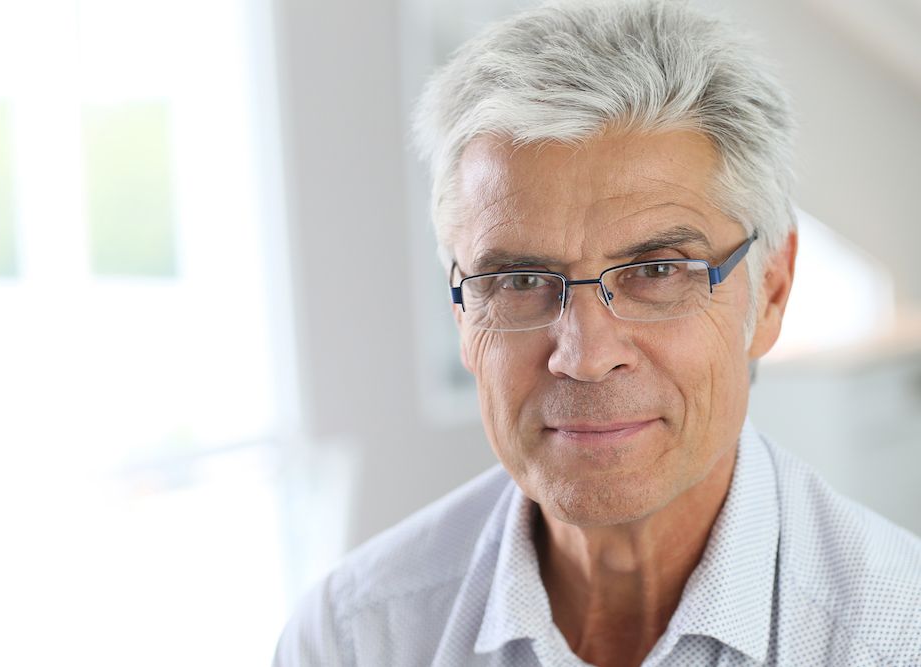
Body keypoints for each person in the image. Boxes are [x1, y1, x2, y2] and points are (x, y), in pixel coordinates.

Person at [274, 1, 921, 665]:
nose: (585, 356)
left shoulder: (897, 635)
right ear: (463, 316)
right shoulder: (354, 638)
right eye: (520, 280)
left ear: (773, 291)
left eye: (659, 270)